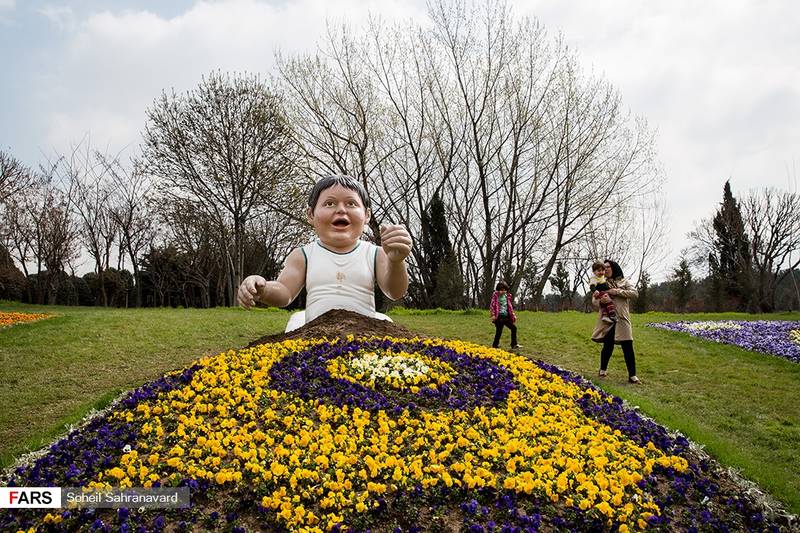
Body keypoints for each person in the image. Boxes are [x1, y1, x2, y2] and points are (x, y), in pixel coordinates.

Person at [237, 175, 412, 332]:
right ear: (311, 214)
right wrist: (264, 289)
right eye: (329, 203)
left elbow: (394, 292)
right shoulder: (303, 255)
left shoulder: (375, 253)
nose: (341, 210)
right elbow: (285, 292)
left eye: (351, 203)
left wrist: (396, 262)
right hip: (316, 335)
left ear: (366, 215)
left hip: (364, 335)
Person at [591, 260, 640, 383]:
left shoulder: (624, 282)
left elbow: (635, 294)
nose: (605, 269)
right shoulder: (600, 282)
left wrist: (617, 291)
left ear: (614, 268)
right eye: (604, 267)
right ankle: (602, 370)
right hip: (607, 319)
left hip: (622, 318)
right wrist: (602, 301)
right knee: (608, 345)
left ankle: (632, 376)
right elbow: (594, 301)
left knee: (627, 345)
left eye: (608, 267)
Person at [489, 281, 521, 349]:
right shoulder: (495, 296)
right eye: (501, 290)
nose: (502, 291)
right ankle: (495, 346)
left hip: (506, 316)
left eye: (504, 290)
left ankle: (514, 344)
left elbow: (510, 307)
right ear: (498, 290)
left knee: (514, 328)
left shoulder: (507, 296)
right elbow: (492, 306)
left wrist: (513, 315)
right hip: (499, 317)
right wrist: (493, 315)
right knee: (499, 331)